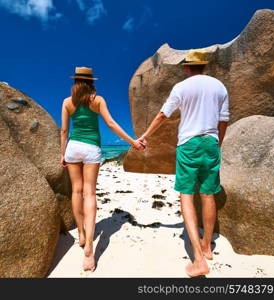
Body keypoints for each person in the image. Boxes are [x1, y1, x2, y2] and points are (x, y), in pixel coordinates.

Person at [137, 50, 230, 277]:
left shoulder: (181, 87)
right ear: (204, 67)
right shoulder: (220, 87)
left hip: (188, 144)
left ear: (188, 68)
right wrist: (218, 143)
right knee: (208, 195)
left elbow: (162, 115)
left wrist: (145, 136)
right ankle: (207, 246)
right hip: (211, 142)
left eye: (184, 66)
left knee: (186, 195)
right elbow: (224, 120)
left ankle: (198, 259)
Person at [60, 67, 144, 271]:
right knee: (89, 193)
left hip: (73, 147)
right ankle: (89, 245)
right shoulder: (97, 100)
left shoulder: (67, 102)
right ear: (90, 82)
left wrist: (62, 154)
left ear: (75, 82)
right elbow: (111, 123)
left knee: (76, 191)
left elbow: (64, 130)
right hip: (91, 148)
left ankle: (81, 233)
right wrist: (132, 141)